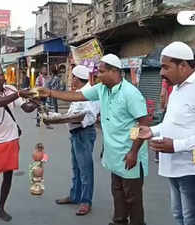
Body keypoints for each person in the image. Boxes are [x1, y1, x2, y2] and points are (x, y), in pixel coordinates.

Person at [37, 54, 149, 225]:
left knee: (132, 197)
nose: (98, 76)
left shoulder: (130, 93)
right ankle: (119, 221)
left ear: (114, 71)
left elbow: (142, 124)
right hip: (114, 153)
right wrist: (50, 92)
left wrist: (133, 151)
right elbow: (77, 96)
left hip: (130, 154)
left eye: (102, 72)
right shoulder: (102, 89)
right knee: (117, 192)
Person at [137, 42, 195, 225]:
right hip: (176, 165)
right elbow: (173, 122)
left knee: (191, 218)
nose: (161, 72)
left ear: (183, 66)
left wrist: (176, 145)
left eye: (165, 67)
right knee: (179, 215)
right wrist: (151, 130)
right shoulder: (178, 87)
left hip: (192, 166)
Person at [0, 63, 34, 222]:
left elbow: (26, 108)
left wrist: (38, 99)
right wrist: (18, 94)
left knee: (8, 175)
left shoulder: (10, 89)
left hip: (12, 138)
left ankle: (2, 207)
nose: (0, 78)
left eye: (1, 74)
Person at [54, 65, 100, 216]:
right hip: (75, 132)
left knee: (85, 169)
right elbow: (71, 112)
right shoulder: (77, 93)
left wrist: (71, 118)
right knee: (76, 167)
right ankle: (75, 195)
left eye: (73, 76)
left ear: (77, 78)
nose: (71, 79)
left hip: (84, 132)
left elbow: (91, 115)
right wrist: (58, 118)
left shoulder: (89, 93)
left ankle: (86, 201)